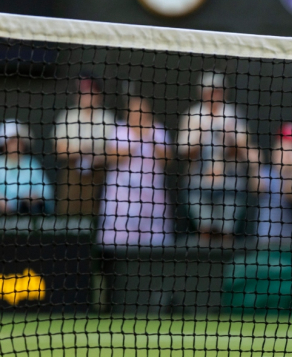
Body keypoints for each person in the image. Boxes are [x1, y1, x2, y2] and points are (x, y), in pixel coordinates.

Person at [178, 71, 260, 245]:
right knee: (204, 230)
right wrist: (200, 134)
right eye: (210, 90)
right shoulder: (193, 115)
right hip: (199, 184)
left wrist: (230, 140)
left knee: (226, 233)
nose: (214, 94)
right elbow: (185, 153)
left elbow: (244, 150)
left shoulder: (233, 114)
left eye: (218, 90)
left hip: (230, 184)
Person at [95, 87, 172, 247]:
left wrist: (148, 135)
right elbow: (112, 156)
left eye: (142, 111)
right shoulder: (119, 130)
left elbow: (167, 159)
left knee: (155, 244)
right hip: (122, 199)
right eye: (135, 112)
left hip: (152, 199)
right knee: (119, 243)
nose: (139, 115)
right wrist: (137, 137)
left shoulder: (157, 130)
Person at [53, 74, 117, 217]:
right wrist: (80, 150)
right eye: (83, 92)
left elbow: (115, 151)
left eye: (91, 92)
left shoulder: (107, 118)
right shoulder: (68, 116)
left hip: (99, 173)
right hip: (73, 173)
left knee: (95, 214)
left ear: (98, 94)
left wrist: (99, 156)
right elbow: (59, 149)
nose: (87, 96)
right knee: (68, 212)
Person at [0, 120, 53, 215]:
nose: (16, 144)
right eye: (12, 141)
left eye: (18, 140)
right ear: (4, 144)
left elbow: (47, 191)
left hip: (29, 212)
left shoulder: (32, 164)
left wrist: (35, 196)